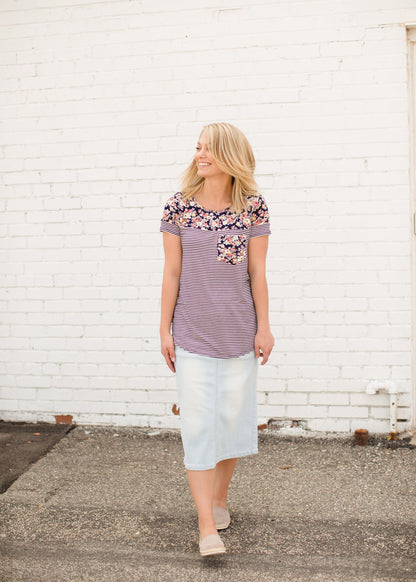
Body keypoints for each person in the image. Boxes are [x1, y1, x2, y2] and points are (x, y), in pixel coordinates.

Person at [159, 122, 274, 557]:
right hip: (191, 334)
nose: (199, 154)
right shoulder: (179, 207)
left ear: (229, 154)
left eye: (207, 148)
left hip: (240, 336)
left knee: (231, 423)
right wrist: (164, 328)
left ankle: (219, 499)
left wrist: (264, 327)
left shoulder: (253, 207)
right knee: (199, 426)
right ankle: (207, 527)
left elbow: (257, 272)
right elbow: (172, 272)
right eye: (198, 147)